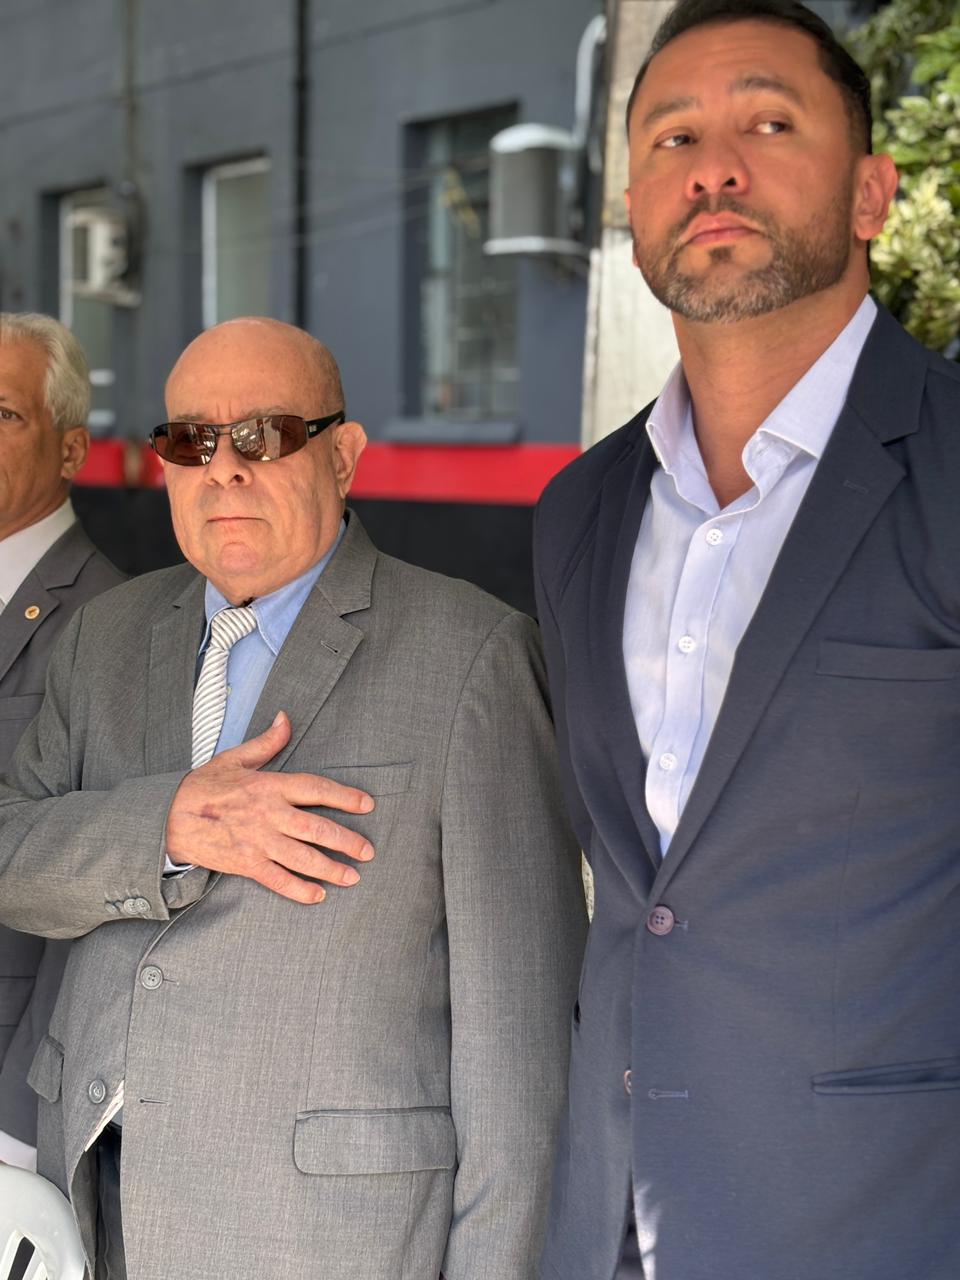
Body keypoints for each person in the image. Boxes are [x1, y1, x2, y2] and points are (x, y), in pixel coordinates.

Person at [0, 315, 586, 1280]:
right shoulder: (104, 636)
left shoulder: (473, 655)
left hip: (331, 1239)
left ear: (342, 457)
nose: (224, 470)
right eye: (192, 441)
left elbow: (520, 1055)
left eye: (264, 436)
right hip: (100, 1214)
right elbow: (11, 853)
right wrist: (168, 826)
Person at [533, 2, 959, 1277]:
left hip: (885, 1221)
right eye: (673, 137)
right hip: (610, 1222)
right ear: (632, 206)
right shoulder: (579, 510)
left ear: (872, 190)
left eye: (768, 123)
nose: (713, 168)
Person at [0, 313, 125, 1173]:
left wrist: (17, 1132)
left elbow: (96, 898)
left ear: (72, 450)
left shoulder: (110, 621)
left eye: (4, 413)